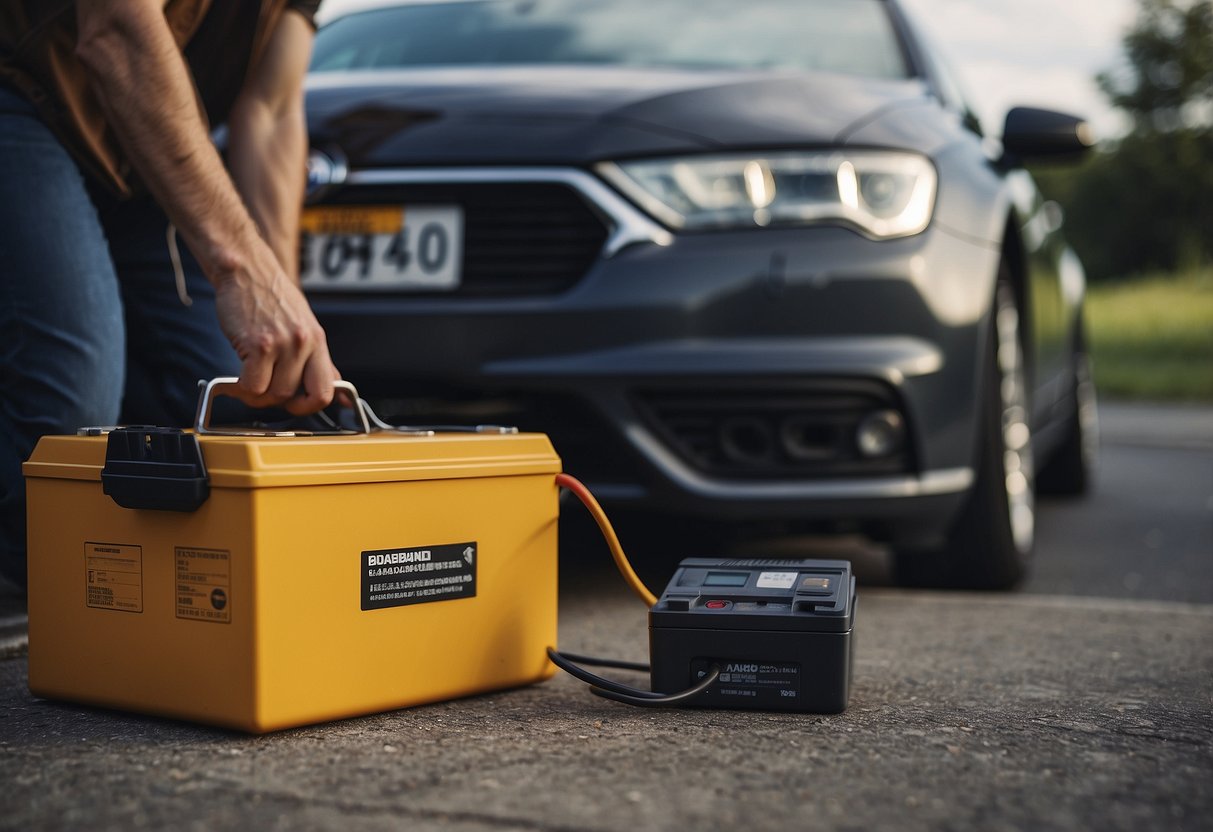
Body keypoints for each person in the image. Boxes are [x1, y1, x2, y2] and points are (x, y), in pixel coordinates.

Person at [0, 0, 341, 589]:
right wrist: (241, 269)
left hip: (136, 145)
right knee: (66, 411)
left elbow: (272, 107)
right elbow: (115, 30)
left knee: (240, 397)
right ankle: (35, 575)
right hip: (23, 90)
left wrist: (283, 315)